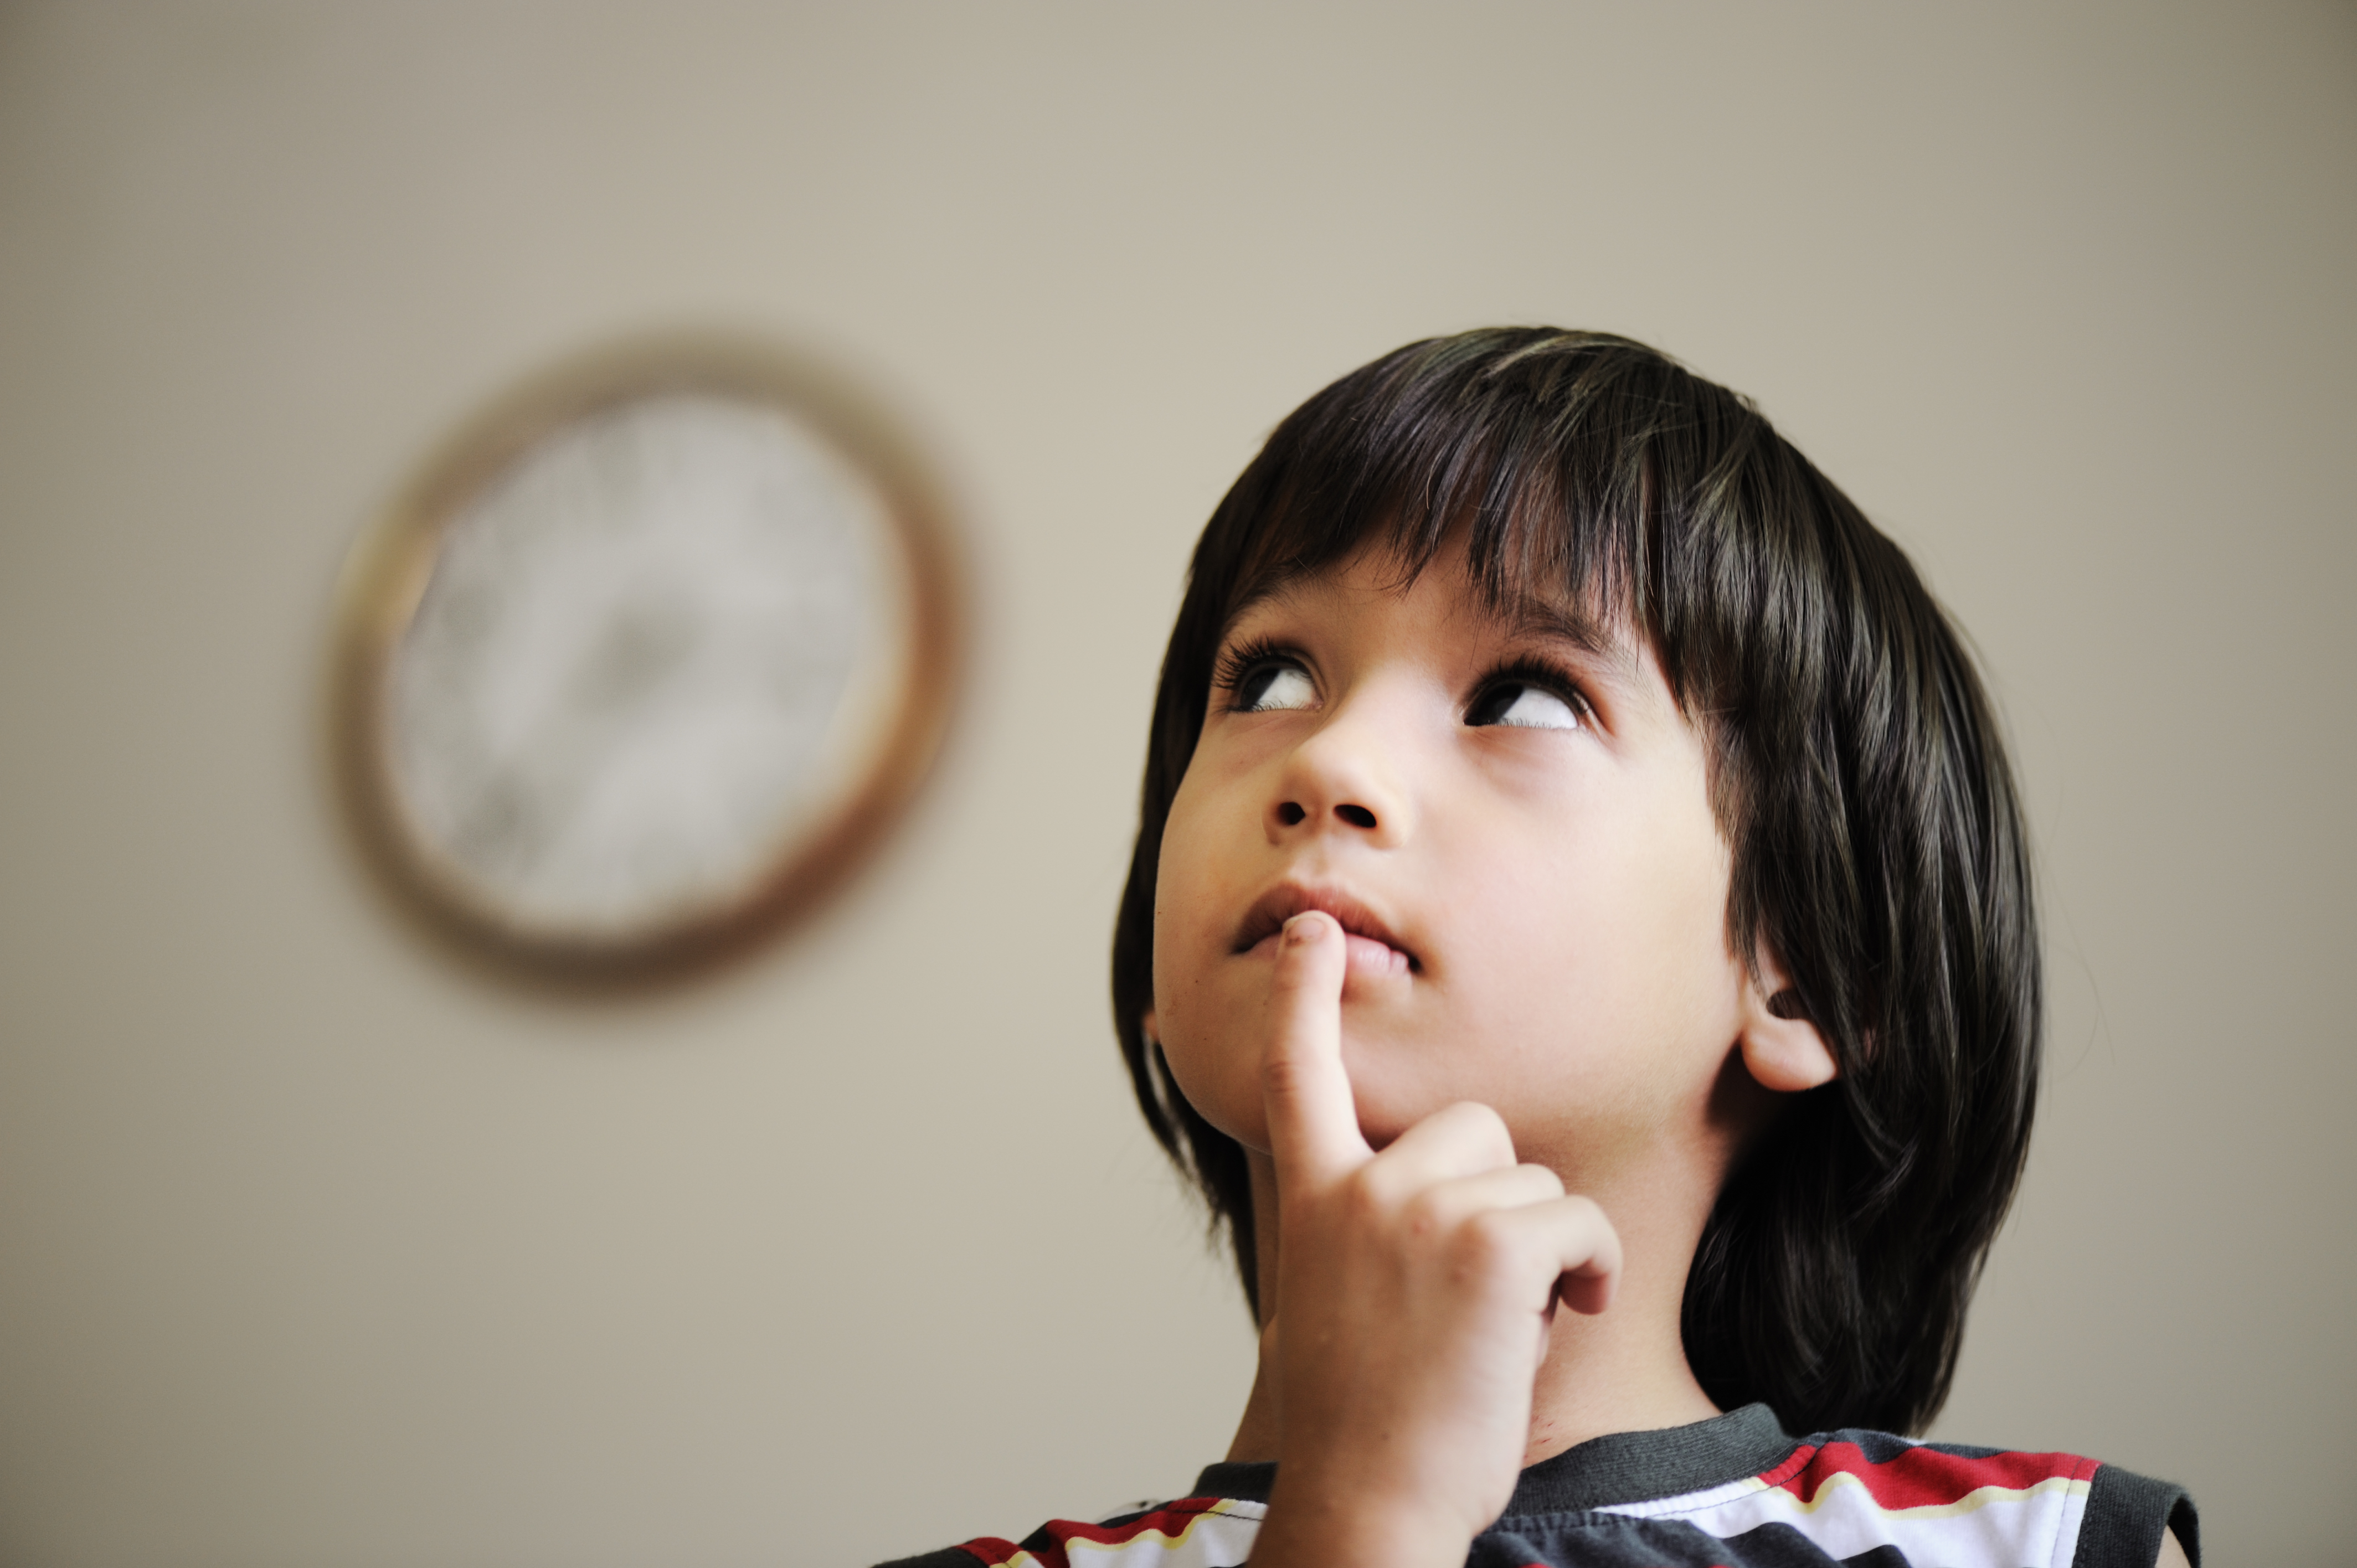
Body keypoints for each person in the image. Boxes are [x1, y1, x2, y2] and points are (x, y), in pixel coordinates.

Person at [882, 329, 2198, 1568]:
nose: (1327, 760)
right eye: (1272, 679)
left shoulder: (2043, 1550)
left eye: (1521, 696)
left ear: (1806, 969)